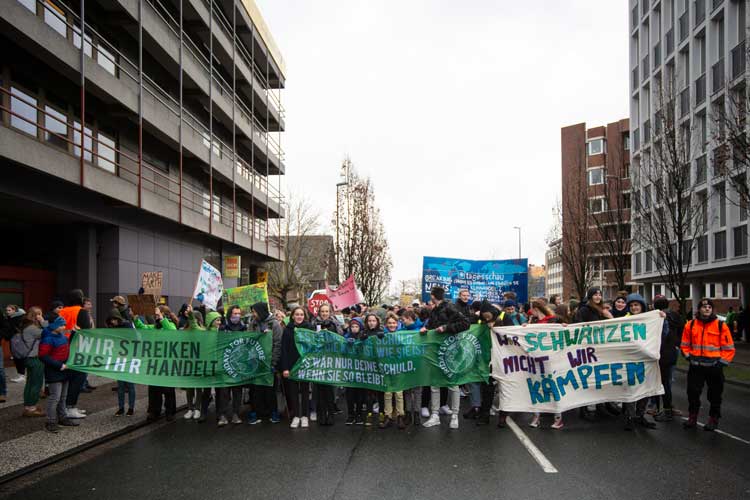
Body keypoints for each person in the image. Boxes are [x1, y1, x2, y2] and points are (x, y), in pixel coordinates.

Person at [681, 298, 735, 431]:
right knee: (693, 394)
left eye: (709, 307)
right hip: (696, 366)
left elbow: (729, 348)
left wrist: (721, 363)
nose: (707, 309)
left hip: (714, 367)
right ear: (699, 309)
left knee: (715, 395)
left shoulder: (721, 325)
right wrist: (688, 357)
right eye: (704, 307)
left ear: (712, 310)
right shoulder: (691, 325)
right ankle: (692, 418)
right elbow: (684, 344)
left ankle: (713, 419)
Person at [420, 286, 470, 429]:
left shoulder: (449, 307)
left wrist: (446, 328)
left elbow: (465, 323)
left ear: (433, 295)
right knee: (435, 383)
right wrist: (426, 329)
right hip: (436, 350)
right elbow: (431, 326)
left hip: (451, 350)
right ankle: (435, 415)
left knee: (452, 383)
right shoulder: (434, 309)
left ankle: (455, 416)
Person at [573, 287, 616, 421]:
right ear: (590, 296)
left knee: (600, 379)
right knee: (587, 379)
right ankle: (583, 409)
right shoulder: (584, 310)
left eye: (599, 294)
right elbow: (578, 327)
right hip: (588, 350)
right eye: (595, 294)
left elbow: (614, 327)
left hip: (601, 349)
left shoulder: (603, 310)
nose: (598, 296)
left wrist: (610, 317)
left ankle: (601, 407)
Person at [620, 293, 658, 430]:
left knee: (645, 389)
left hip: (646, 360)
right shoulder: (624, 320)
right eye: (631, 305)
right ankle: (630, 417)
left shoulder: (651, 319)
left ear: (641, 305)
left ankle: (640, 415)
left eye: (636, 305)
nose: (634, 307)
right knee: (631, 389)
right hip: (630, 359)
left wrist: (661, 320)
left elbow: (660, 334)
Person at [526, 300, 565, 430]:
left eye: (532, 309)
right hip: (536, 360)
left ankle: (558, 418)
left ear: (537, 308)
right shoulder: (534, 322)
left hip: (551, 359)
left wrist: (564, 327)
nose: (530, 312)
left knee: (553, 387)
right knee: (536, 387)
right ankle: (536, 417)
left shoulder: (554, 320)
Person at [136, 306, 178, 422]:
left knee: (168, 390)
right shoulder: (155, 327)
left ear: (164, 314)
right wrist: (135, 319)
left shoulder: (170, 325)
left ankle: (170, 411)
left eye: (158, 313)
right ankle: (155, 411)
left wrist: (161, 317)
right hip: (155, 363)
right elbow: (143, 327)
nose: (155, 315)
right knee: (154, 389)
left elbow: (172, 332)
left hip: (167, 364)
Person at [38, 316, 79, 432]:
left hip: (64, 369)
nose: (64, 327)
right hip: (55, 371)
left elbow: (67, 345)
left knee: (63, 397)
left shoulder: (60, 336)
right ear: (55, 326)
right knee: (54, 398)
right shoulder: (47, 339)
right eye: (61, 325)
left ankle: (62, 417)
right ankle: (50, 422)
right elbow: (43, 356)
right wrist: (59, 365)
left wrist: (73, 334)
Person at [248, 302, 283, 425]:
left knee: (270, 389)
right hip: (256, 362)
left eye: (255, 312)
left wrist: (273, 363)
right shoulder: (253, 323)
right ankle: (256, 412)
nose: (253, 314)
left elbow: (278, 344)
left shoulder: (274, 324)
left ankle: (273, 411)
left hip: (269, 362)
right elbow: (248, 340)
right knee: (255, 389)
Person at [182, 306, 220, 422]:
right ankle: (195, 409)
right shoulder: (203, 332)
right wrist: (191, 315)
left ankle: (200, 409)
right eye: (217, 320)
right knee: (195, 387)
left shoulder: (220, 333)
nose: (219, 322)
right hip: (196, 363)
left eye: (220, 320)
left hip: (210, 365)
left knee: (203, 388)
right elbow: (194, 326)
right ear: (211, 321)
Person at [280, 306, 313, 428]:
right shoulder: (287, 330)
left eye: (301, 314)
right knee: (293, 392)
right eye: (297, 314)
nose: (299, 316)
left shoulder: (309, 328)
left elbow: (312, 347)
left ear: (304, 316)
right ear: (292, 316)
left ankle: (305, 416)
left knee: (305, 391)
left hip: (305, 364)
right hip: (291, 365)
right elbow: (284, 350)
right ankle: (296, 416)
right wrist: (285, 368)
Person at [652, 295, 683, 422]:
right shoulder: (675, 316)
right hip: (671, 353)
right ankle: (666, 408)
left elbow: (662, 336)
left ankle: (665, 410)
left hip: (662, 354)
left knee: (662, 383)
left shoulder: (659, 317)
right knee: (667, 382)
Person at [216, 305, 247, 426]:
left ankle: (235, 414)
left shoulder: (244, 328)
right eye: (235, 313)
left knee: (237, 390)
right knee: (224, 391)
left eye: (239, 313)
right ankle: (222, 415)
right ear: (230, 315)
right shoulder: (223, 328)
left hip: (238, 364)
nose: (237, 316)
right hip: (225, 363)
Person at [380, 314, 406, 430]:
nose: (392, 325)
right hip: (387, 367)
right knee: (387, 393)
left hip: (399, 367)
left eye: (394, 323)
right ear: (386, 325)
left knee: (399, 393)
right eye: (389, 323)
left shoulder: (402, 335)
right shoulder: (383, 336)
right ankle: (388, 416)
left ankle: (401, 415)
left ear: (397, 323)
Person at [19, 307, 46, 417]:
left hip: (28, 358)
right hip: (35, 358)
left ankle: (28, 406)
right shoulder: (32, 328)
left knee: (30, 383)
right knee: (36, 383)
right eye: (39, 314)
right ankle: (31, 408)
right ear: (36, 316)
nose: (41, 316)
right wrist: (43, 321)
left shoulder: (26, 326)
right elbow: (49, 332)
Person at [344, 317, 368, 425]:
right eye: (352, 326)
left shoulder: (364, 337)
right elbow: (342, 352)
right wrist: (346, 345)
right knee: (349, 393)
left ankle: (359, 414)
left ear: (360, 327)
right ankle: (350, 414)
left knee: (359, 393)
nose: (354, 328)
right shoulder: (346, 337)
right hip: (349, 370)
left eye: (356, 326)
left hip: (361, 370)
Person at [4, 304, 27, 382]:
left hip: (18, 340)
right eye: (6, 310)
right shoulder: (11, 318)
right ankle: (21, 375)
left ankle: (22, 375)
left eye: (9, 310)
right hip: (15, 340)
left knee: (19, 357)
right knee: (17, 357)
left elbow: (12, 330)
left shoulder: (17, 319)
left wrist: (6, 336)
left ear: (14, 311)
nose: (7, 312)